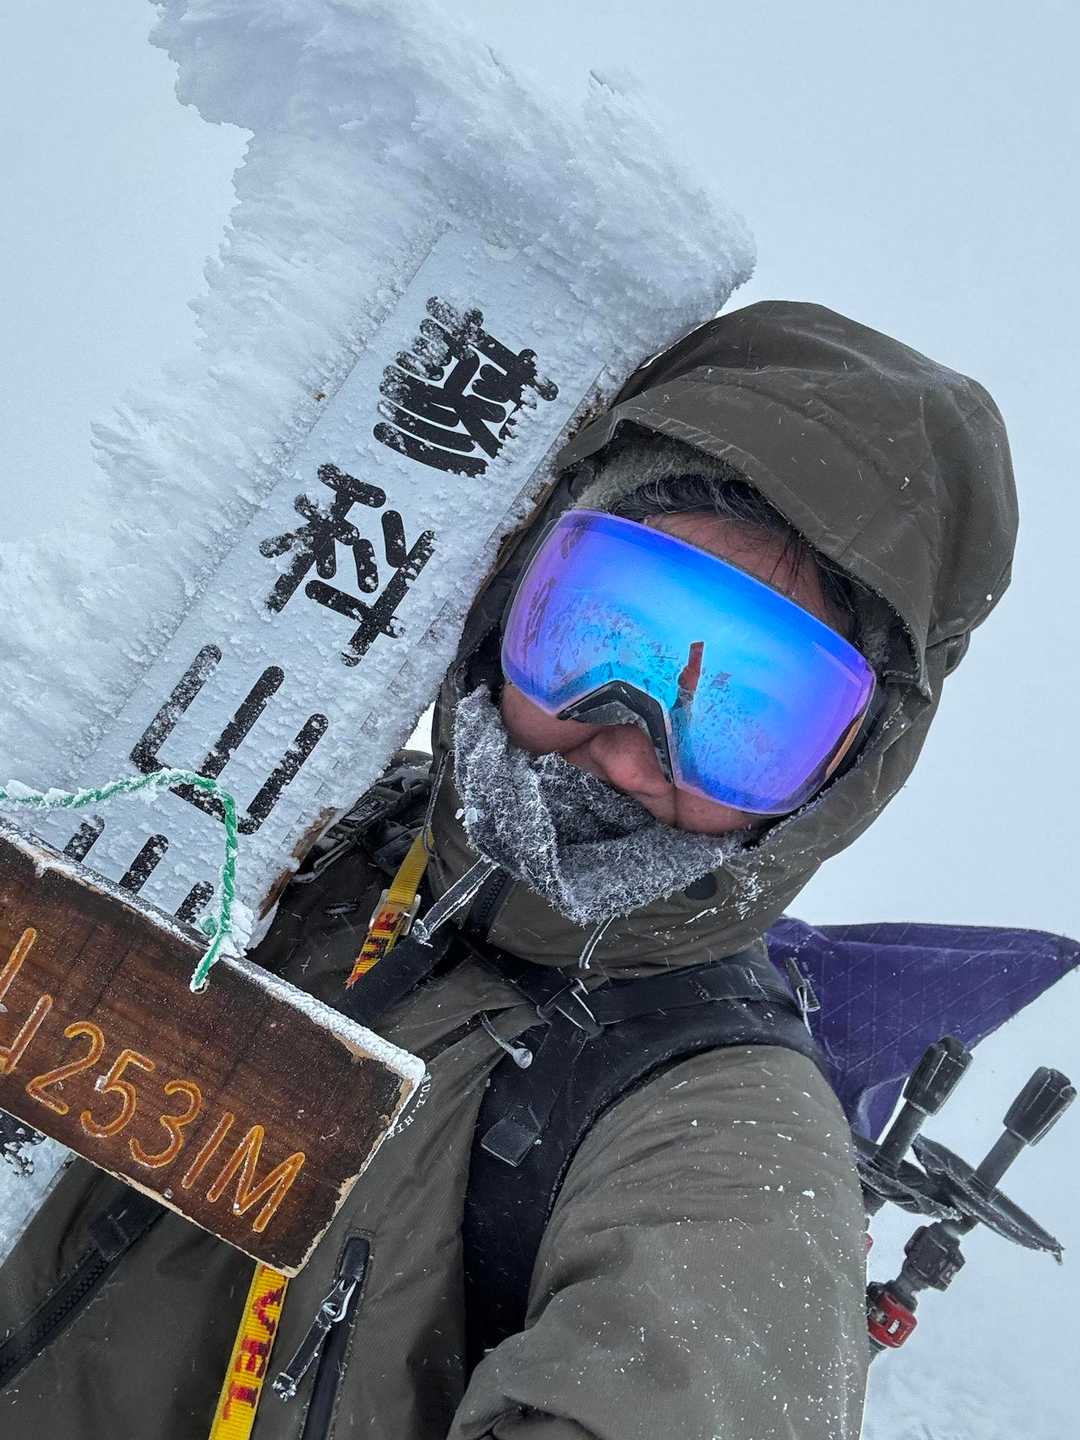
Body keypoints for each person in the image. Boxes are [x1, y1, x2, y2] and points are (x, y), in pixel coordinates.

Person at [0, 300, 1017, 1439]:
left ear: (841, 775)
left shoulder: (723, 1130)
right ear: (513, 592)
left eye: (747, 714)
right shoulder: (287, 823)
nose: (630, 742)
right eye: (603, 632)